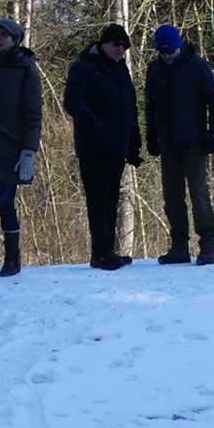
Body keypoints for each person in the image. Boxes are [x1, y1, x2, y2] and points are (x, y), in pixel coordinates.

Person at [63, 24, 143, 271]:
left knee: (111, 199)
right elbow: (73, 102)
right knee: (98, 200)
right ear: (104, 43)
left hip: (116, 147)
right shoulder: (85, 67)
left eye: (124, 46)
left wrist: (133, 143)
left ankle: (108, 251)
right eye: (116, 44)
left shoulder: (122, 71)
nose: (120, 49)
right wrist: (96, 126)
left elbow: (130, 108)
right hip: (94, 147)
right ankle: (100, 253)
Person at [144, 23, 214, 265]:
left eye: (171, 52)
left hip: (194, 142)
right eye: (163, 52)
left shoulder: (197, 66)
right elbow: (150, 106)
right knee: (172, 197)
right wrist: (152, 136)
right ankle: (179, 246)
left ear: (179, 47)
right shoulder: (154, 70)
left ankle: (207, 244)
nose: (167, 57)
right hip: (168, 144)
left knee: (199, 193)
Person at [0, 17, 42, 278]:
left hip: (10, 148)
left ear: (15, 39)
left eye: (4, 34)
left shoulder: (26, 70)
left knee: (4, 203)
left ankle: (12, 258)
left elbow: (33, 115)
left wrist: (29, 151)